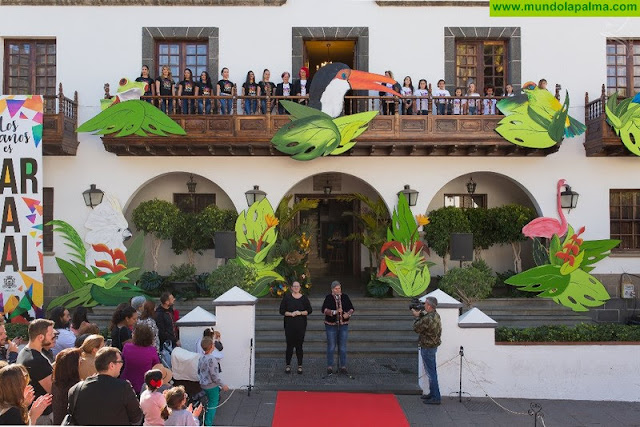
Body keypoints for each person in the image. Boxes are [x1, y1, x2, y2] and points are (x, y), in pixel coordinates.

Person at [67, 347, 143, 425]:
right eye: (120, 361)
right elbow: (136, 418)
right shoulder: (123, 387)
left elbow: (72, 418)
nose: (122, 364)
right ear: (111, 365)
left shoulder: (76, 389)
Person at [16, 319, 55, 424]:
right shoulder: (37, 360)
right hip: (42, 415)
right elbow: (52, 389)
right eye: (51, 334)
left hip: (35, 413)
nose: (53, 336)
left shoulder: (25, 352)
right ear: (40, 337)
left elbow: (41, 373)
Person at [412, 296, 442, 405]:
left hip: (428, 347)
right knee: (431, 372)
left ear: (429, 306)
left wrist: (416, 316)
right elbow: (426, 320)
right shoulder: (435, 315)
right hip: (432, 346)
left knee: (431, 373)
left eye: (425, 304)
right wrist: (420, 315)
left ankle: (436, 397)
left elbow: (416, 328)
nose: (424, 305)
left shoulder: (428, 318)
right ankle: (433, 394)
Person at [321, 280, 355, 375]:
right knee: (331, 347)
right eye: (336, 288)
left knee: (343, 347)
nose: (338, 290)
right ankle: (330, 366)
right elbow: (324, 310)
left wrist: (348, 314)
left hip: (343, 325)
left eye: (339, 288)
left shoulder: (345, 297)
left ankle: (343, 366)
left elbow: (352, 308)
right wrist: (335, 312)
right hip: (331, 325)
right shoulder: (328, 298)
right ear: (332, 289)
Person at [279, 281, 312, 374]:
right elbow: (281, 311)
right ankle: (288, 365)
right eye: (294, 286)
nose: (296, 287)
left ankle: (300, 366)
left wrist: (300, 313)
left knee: (299, 346)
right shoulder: (287, 298)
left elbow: (309, 310)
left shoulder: (304, 298)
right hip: (289, 325)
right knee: (289, 345)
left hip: (301, 326)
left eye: (298, 286)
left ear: (300, 287)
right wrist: (290, 314)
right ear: (292, 288)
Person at [121, 324, 160, 395]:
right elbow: (157, 366)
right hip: (145, 385)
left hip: (126, 383)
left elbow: (122, 362)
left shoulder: (126, 347)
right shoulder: (152, 350)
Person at [198, 337, 229, 426]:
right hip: (211, 386)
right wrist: (223, 385)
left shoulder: (201, 358)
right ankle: (208, 423)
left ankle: (205, 420)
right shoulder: (212, 359)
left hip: (203, 384)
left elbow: (199, 371)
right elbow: (214, 376)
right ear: (212, 346)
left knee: (207, 402)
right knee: (213, 404)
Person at [51, 348, 81, 425]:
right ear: (73, 366)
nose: (82, 363)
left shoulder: (56, 383)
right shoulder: (77, 388)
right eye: (79, 361)